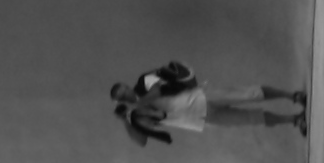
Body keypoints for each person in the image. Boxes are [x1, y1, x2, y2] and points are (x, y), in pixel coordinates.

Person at [112, 60, 308, 143]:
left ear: (126, 85)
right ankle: (294, 120)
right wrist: (125, 121)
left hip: (202, 97)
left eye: (124, 90)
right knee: (252, 119)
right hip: (200, 119)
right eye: (122, 97)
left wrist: (137, 104)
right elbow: (141, 141)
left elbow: (156, 91)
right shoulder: (134, 115)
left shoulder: (143, 82)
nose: (126, 95)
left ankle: (292, 96)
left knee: (251, 94)